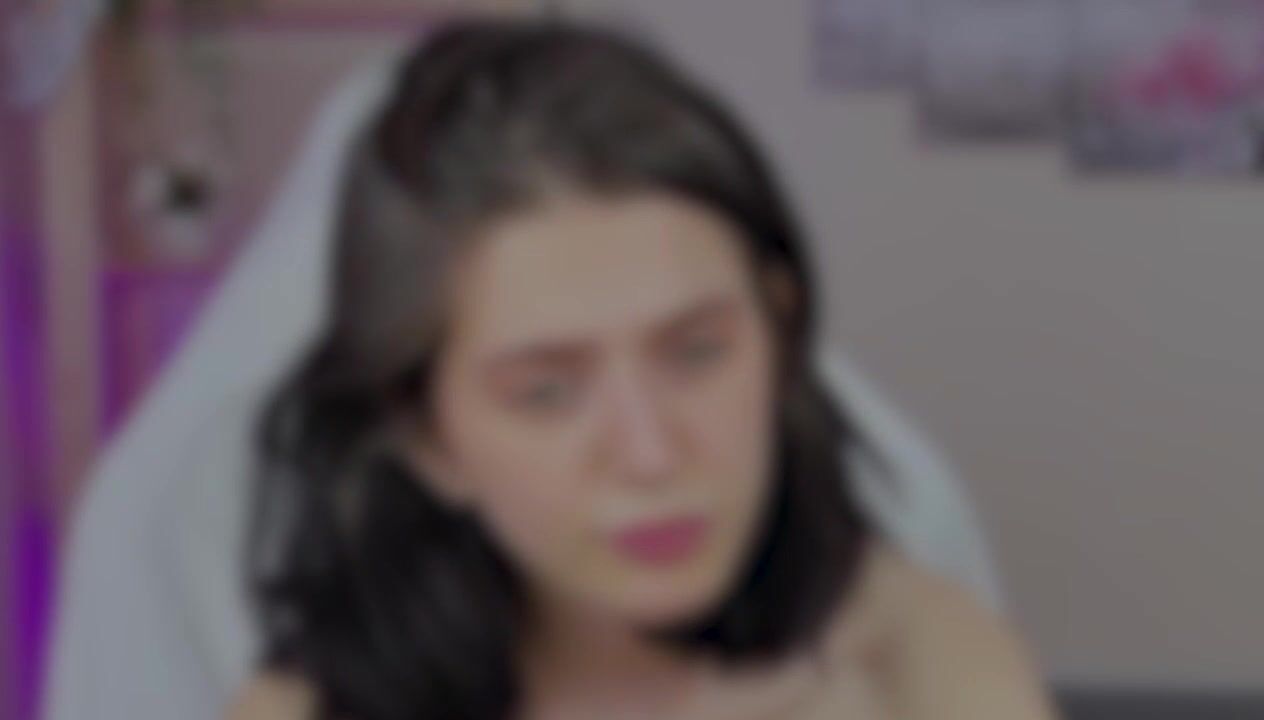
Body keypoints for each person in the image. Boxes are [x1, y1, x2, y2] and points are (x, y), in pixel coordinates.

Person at [228, 18, 1057, 720]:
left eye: (697, 353)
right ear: (426, 436)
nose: (651, 452)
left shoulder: (921, 664)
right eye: (548, 393)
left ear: (779, 331)